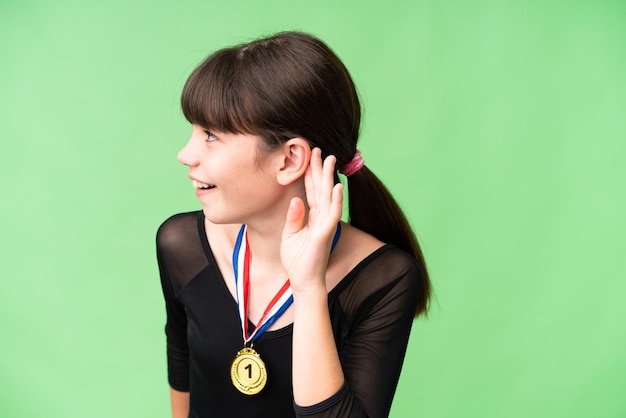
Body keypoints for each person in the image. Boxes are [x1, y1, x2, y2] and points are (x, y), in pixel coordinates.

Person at [156, 31, 430, 418]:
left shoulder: (384, 278)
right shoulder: (181, 244)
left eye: (211, 135)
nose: (186, 154)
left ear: (288, 160)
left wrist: (308, 289)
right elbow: (181, 360)